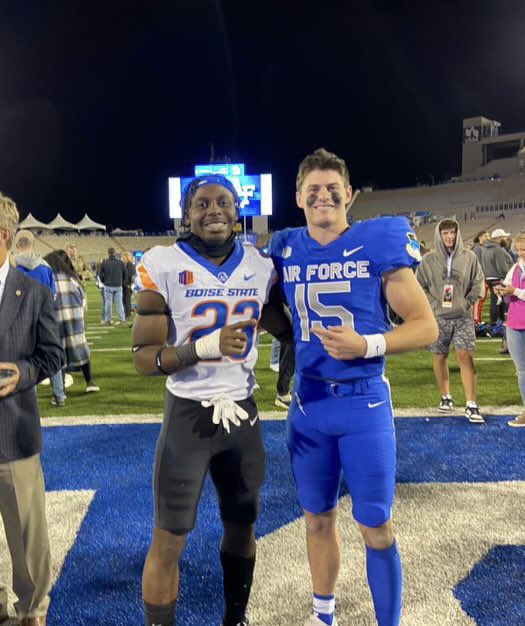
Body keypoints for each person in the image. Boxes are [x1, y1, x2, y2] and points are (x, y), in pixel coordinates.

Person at [269, 148, 438, 626]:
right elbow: (254, 300)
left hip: (364, 401)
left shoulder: (375, 240)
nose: (324, 196)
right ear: (298, 197)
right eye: (313, 190)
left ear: (351, 195)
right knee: (317, 519)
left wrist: (366, 344)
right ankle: (324, 616)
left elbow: (425, 326)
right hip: (308, 403)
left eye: (332, 188)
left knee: (376, 525)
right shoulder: (283, 246)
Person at [132, 174, 291, 626]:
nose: (213, 210)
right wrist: (203, 347)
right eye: (202, 204)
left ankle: (235, 619)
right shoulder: (163, 263)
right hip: (188, 417)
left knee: (243, 525)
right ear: (187, 214)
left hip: (241, 413)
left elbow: (291, 332)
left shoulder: (261, 266)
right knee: (169, 538)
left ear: (238, 210)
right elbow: (144, 359)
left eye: (223, 201)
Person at [0, 191, 64, 626]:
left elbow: (52, 355)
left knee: (27, 536)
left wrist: (21, 373)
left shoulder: (35, 293)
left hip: (13, 432)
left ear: (3, 235)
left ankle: (31, 612)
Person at [417, 219, 485, 423]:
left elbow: (478, 283)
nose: (449, 237)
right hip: (438, 317)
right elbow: (419, 286)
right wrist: (433, 305)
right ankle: (445, 397)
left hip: (462, 316)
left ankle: (471, 404)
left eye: (452, 233)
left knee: (466, 357)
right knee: (439, 356)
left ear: (457, 233)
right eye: (445, 233)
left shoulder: (469, 257)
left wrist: (466, 302)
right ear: (439, 235)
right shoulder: (428, 260)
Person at [13, 229, 66, 406]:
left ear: (16, 244)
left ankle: (31, 399)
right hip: (43, 318)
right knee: (49, 354)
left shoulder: (10, 265)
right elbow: (53, 296)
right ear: (33, 244)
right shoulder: (45, 267)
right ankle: (59, 395)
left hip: (18, 319)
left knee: (24, 359)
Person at [44, 250, 100, 394]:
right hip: (75, 322)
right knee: (82, 350)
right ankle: (90, 382)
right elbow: (83, 302)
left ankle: (60, 391)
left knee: (57, 355)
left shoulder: (47, 280)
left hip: (56, 323)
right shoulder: (73, 279)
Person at [495, 234, 525, 427]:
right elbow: (507, 294)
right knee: (522, 370)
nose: (521, 253)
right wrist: (502, 293)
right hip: (514, 324)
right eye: (519, 250)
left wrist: (514, 291)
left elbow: (514, 291)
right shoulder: (514, 268)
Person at [98, 247, 127, 325]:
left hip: (108, 285)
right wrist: (122, 282)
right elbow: (126, 274)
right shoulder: (120, 262)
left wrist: (104, 281)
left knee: (108, 303)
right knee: (119, 303)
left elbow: (100, 275)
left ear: (108, 253)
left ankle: (108, 320)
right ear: (114, 253)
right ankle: (122, 320)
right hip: (118, 285)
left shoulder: (104, 262)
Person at [471, 230, 490, 325]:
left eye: (488, 236)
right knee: (478, 301)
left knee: (481, 300)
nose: (488, 238)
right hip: (479, 278)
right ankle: (475, 320)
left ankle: (478, 319)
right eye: (485, 236)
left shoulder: (482, 248)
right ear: (480, 237)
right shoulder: (478, 249)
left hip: (482, 277)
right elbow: (478, 265)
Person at [121, 251, 137, 323]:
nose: (123, 258)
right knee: (125, 300)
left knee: (127, 300)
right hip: (124, 285)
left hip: (127, 285)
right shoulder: (125, 265)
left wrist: (129, 284)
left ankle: (128, 315)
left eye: (124, 257)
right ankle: (126, 314)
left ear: (128, 257)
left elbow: (131, 275)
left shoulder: (130, 265)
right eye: (122, 257)